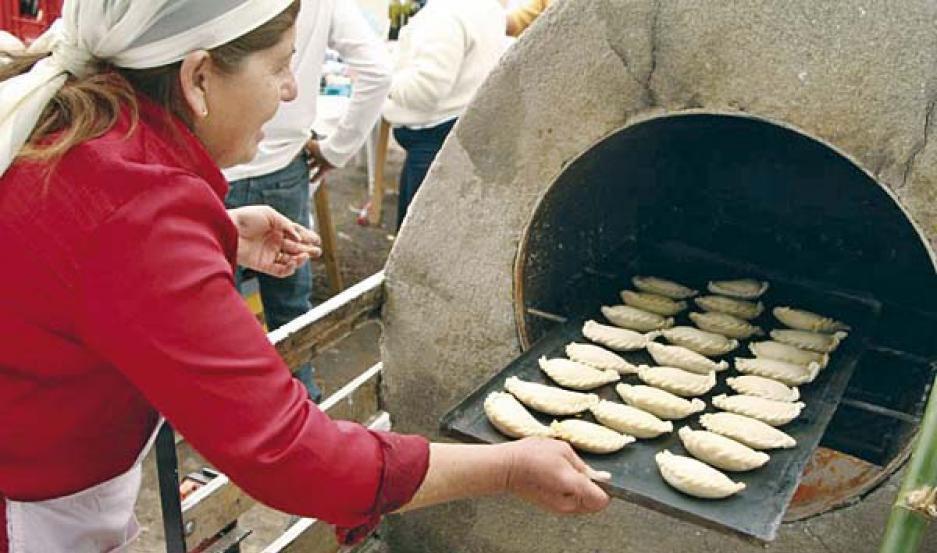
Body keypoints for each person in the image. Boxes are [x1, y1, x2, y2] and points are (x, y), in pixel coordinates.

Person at [0, 2, 609, 551]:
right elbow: (292, 454)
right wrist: (506, 469)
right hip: (29, 507)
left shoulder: (90, 124)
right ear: (198, 76)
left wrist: (221, 233)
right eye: (279, 66)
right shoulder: (139, 209)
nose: (292, 90)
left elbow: (70, 256)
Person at [223, 0, 392, 402]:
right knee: (288, 302)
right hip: (276, 164)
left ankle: (237, 410)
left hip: (220, 165)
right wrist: (339, 149)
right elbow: (378, 71)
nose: (289, 87)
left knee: (217, 312)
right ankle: (302, 401)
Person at [383, 0, 508, 229]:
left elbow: (425, 90)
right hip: (461, 132)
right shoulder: (486, 7)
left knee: (420, 245)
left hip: (434, 142)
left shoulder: (444, 16)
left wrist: (381, 78)